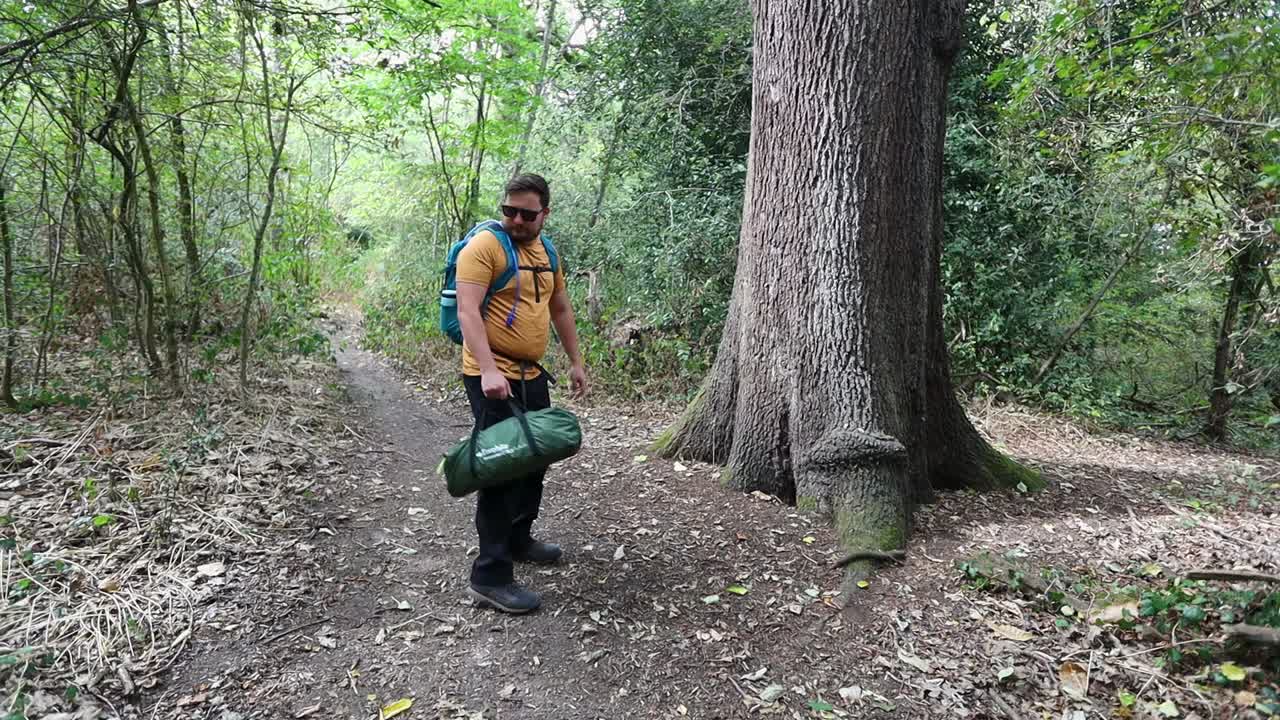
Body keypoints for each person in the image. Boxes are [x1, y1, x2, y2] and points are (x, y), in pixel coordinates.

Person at [454, 173, 588, 614]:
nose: (514, 219)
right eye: (508, 210)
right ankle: (489, 574)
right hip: (491, 375)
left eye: (526, 214)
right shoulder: (484, 248)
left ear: (544, 214)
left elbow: (561, 308)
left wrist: (575, 361)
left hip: (533, 375)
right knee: (502, 469)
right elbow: (468, 311)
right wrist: (490, 370)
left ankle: (517, 538)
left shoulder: (548, 252)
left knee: (534, 459)